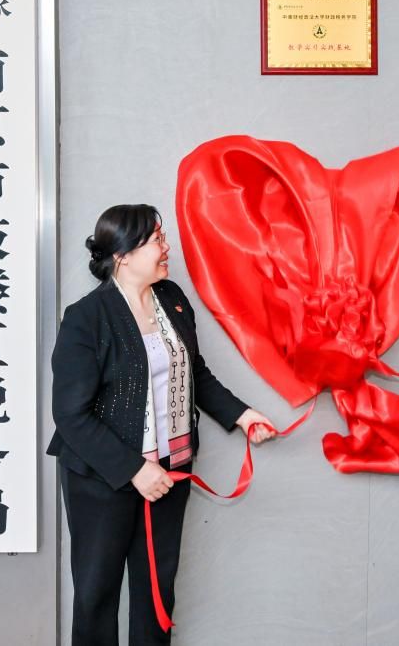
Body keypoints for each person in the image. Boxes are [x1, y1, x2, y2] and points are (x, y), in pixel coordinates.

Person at [47, 204, 275, 646]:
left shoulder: (171, 298)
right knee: (96, 594)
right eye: (156, 240)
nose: (167, 247)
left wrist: (242, 415)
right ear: (123, 255)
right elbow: (70, 414)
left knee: (157, 594)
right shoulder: (86, 318)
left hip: (170, 473)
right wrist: (135, 469)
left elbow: (195, 373)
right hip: (102, 478)